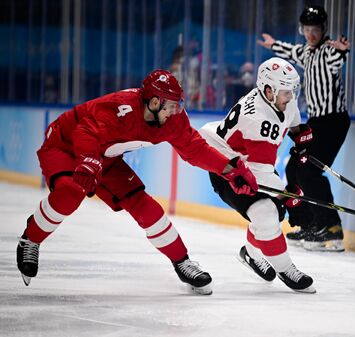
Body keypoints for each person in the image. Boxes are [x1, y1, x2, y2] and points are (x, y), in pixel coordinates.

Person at [16, 69, 258, 295]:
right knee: (71, 193)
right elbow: (85, 131)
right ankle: (31, 239)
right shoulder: (120, 108)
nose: (177, 111)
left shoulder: (172, 119)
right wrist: (88, 160)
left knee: (145, 206)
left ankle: (182, 262)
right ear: (155, 102)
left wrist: (229, 169)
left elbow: (195, 149)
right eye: (172, 105)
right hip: (65, 145)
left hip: (105, 157)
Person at [199, 57, 316, 293]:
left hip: (251, 162)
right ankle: (286, 269)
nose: (291, 97)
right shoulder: (257, 119)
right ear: (268, 90)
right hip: (226, 167)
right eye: (286, 92)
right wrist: (291, 200)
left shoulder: (280, 99)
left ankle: (251, 254)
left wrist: (300, 136)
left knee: (272, 211)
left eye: (293, 91)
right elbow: (262, 174)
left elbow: (292, 123)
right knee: (265, 212)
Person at [257, 5, 350, 252]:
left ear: (323, 30)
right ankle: (308, 222)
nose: (311, 34)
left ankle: (330, 227)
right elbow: (291, 50)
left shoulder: (328, 52)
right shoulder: (307, 52)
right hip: (317, 122)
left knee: (310, 172)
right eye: (307, 29)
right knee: (294, 168)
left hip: (333, 122)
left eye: (315, 29)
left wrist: (342, 52)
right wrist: (273, 44)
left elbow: (336, 60)